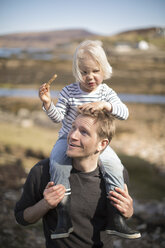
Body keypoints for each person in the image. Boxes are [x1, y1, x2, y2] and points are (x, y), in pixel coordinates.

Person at [38, 40, 140, 239]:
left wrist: (105, 105)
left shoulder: (106, 92)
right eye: (84, 72)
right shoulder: (69, 91)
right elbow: (57, 118)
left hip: (98, 143)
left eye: (95, 71)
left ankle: (116, 218)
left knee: (115, 166)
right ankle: (63, 217)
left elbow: (124, 113)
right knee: (58, 162)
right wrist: (48, 103)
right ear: (78, 72)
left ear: (104, 69)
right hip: (68, 139)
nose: (90, 76)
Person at [14, 110, 139, 248]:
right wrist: (46, 204)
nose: (72, 136)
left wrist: (128, 212)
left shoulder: (117, 175)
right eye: (73, 127)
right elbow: (22, 218)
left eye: (84, 132)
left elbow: (121, 216)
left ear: (102, 144)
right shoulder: (43, 171)